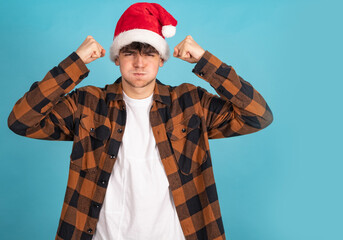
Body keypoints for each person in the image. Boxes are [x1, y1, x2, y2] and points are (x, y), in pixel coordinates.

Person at [7, 3, 272, 240]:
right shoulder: (87, 104)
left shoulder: (190, 103)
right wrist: (75, 62)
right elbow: (21, 120)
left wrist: (205, 60)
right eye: (130, 52)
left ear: (161, 60)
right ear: (116, 58)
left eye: (149, 53)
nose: (139, 62)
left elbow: (258, 115)